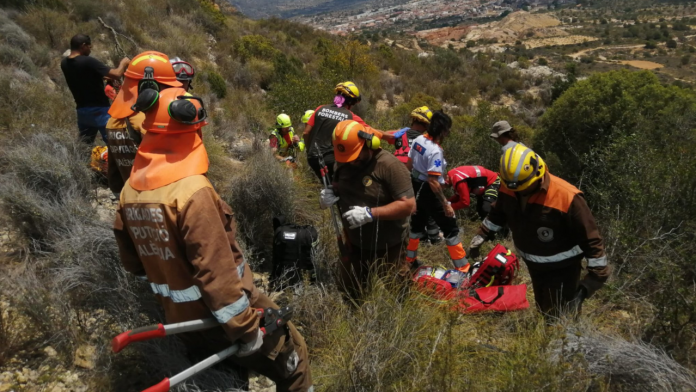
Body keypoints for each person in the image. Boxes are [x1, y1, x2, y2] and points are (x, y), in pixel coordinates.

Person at [113, 87, 312, 391]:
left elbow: (135, 264)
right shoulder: (193, 192)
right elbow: (216, 273)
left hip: (182, 322)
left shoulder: (129, 192)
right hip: (226, 318)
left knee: (227, 379)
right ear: (190, 131)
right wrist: (247, 330)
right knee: (293, 357)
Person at [468, 144, 610, 319]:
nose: (518, 192)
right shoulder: (510, 186)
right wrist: (481, 234)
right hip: (534, 265)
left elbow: (591, 239)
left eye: (523, 188)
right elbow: (498, 213)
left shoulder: (567, 197)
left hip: (563, 269)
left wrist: (590, 283)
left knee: (561, 317)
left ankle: (565, 343)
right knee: (544, 308)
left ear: (538, 173)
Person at [319, 120, 415, 298]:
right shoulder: (344, 160)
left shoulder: (389, 166)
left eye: (355, 157)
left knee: (399, 293)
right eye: (347, 159)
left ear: (369, 143)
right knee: (351, 293)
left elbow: (408, 205)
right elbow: (338, 185)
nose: (351, 163)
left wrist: (370, 213)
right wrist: (329, 195)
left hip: (388, 246)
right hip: (354, 244)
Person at [106, 51, 182, 196]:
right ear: (148, 86)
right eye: (165, 86)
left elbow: (113, 172)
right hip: (156, 196)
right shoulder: (148, 123)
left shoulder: (113, 121)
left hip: (129, 197)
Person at [405, 111, 469, 271]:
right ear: (442, 131)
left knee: (416, 227)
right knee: (451, 228)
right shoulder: (435, 151)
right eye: (448, 130)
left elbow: (409, 164)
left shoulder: (418, 139)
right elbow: (433, 181)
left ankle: (409, 261)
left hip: (415, 186)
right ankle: (463, 269)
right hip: (429, 191)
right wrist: (445, 204)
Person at [303, 81, 396, 182]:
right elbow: (371, 131)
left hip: (312, 158)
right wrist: (390, 137)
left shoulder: (319, 109)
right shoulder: (350, 116)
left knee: (326, 184)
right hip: (332, 160)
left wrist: (309, 150)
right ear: (351, 101)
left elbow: (306, 133)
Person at [60, 34, 130, 144]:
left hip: (82, 111)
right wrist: (123, 63)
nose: (90, 50)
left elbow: (83, 77)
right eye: (89, 47)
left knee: (85, 144)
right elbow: (117, 74)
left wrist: (103, 77)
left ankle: (82, 161)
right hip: (99, 110)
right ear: (83, 46)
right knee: (115, 144)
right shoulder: (88, 61)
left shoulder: (64, 63)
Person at [393, 106, 442, 245]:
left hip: (394, 172)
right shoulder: (426, 140)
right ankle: (433, 238)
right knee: (426, 205)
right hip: (414, 175)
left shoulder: (399, 134)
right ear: (427, 124)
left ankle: (405, 236)